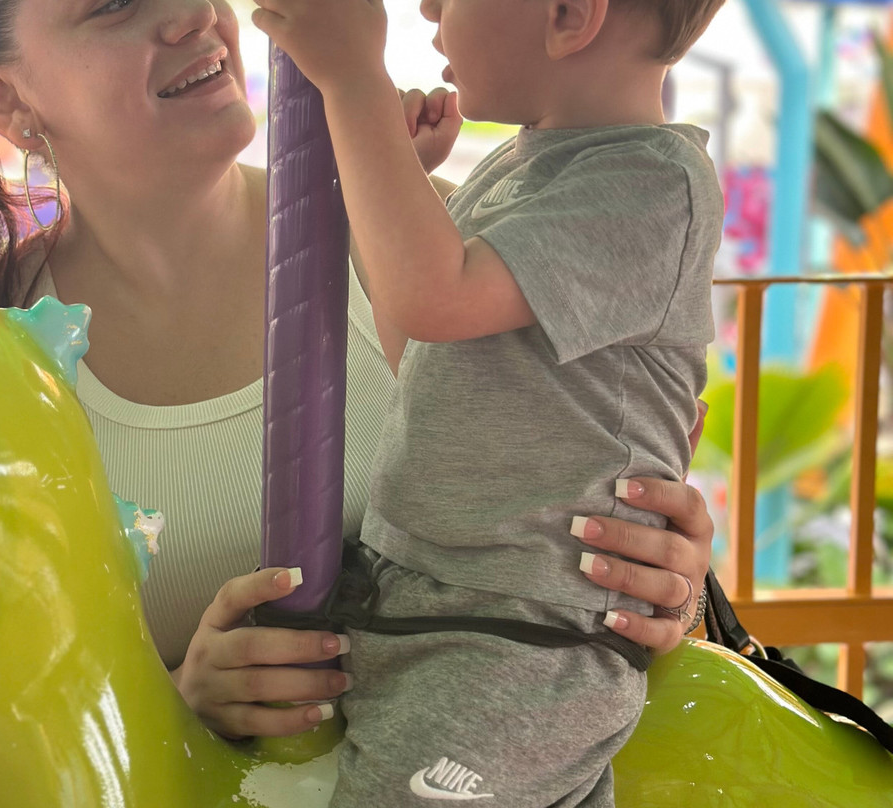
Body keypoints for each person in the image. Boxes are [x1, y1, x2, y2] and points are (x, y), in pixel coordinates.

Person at [0, 0, 714, 745]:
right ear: (8, 97)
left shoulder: (421, 243)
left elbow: (582, 475)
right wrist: (171, 702)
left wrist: (657, 574)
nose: (189, 15)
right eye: (114, 4)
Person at [252, 0, 725, 804]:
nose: (429, 9)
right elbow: (423, 348)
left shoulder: (649, 183)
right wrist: (397, 178)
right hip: (435, 595)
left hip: (520, 628)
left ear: (571, 16)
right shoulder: (525, 167)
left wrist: (357, 84)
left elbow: (434, 299)